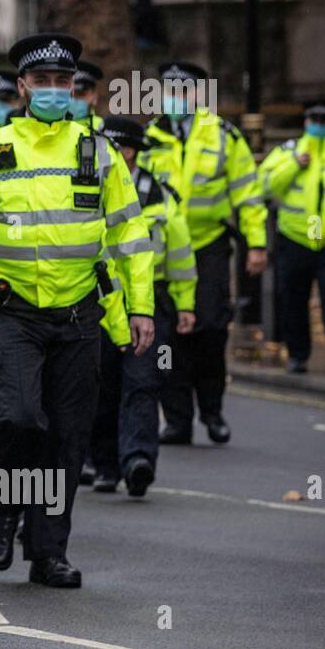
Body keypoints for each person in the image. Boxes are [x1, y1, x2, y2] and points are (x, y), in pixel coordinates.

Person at [0, 33, 154, 588]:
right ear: (23, 86)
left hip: (78, 314)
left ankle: (49, 552)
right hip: (11, 313)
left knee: (66, 437)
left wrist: (141, 308)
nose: (54, 90)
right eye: (43, 81)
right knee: (17, 418)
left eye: (63, 82)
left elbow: (129, 233)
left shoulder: (98, 152)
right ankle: (5, 511)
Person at [140, 61, 266, 445]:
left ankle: (211, 411)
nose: (176, 99)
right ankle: (177, 419)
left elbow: (247, 192)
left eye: (184, 91)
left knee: (209, 329)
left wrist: (256, 243)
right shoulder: (150, 137)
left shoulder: (224, 135)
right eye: (170, 91)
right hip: (162, 251)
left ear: (199, 94)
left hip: (208, 245)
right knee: (168, 340)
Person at [86, 117, 197, 497]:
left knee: (145, 380)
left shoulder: (160, 196)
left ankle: (137, 460)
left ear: (128, 151)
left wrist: (185, 304)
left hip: (149, 302)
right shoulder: (87, 186)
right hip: (99, 303)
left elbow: (180, 253)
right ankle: (103, 465)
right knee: (101, 387)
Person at [259, 99, 325, 376]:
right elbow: (264, 186)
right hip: (295, 237)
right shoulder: (289, 150)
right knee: (294, 298)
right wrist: (294, 165)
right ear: (306, 122)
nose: (319, 125)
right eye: (314, 119)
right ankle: (297, 355)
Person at [68, 60, 104, 128]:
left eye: (81, 94)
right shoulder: (48, 130)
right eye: (69, 94)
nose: (74, 99)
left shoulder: (103, 129)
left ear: (94, 96)